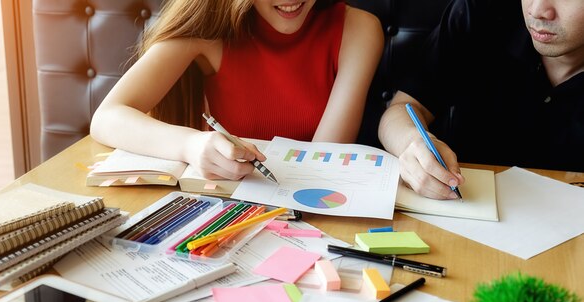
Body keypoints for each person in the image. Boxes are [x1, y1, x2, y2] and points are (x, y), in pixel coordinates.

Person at [90, 0, 383, 181]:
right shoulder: (210, 25)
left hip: (303, 210)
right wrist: (191, 145)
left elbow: (321, 163)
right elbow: (107, 118)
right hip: (224, 204)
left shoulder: (358, 29)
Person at [378, 0, 584, 200]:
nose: (537, 10)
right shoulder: (481, 11)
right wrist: (413, 142)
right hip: (464, 209)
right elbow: (402, 109)